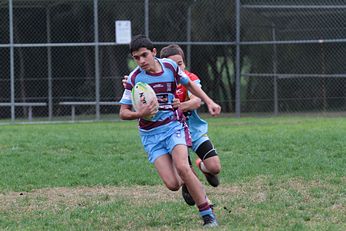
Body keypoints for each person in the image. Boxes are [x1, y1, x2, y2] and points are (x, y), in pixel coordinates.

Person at [119, 34, 221, 227]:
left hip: (174, 126)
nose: (141, 61)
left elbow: (189, 84)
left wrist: (209, 101)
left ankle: (207, 214)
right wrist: (139, 113)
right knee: (173, 184)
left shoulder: (170, 67)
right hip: (150, 135)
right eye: (136, 58)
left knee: (183, 167)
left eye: (144, 55)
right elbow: (123, 113)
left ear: (154, 52)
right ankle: (194, 186)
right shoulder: (134, 79)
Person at [160, 45, 221, 189]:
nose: (178, 68)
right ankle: (191, 186)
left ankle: (202, 166)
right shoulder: (160, 84)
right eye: (173, 65)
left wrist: (179, 106)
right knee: (187, 176)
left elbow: (196, 101)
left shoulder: (190, 79)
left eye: (180, 64)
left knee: (215, 167)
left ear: (184, 63)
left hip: (194, 131)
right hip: (174, 135)